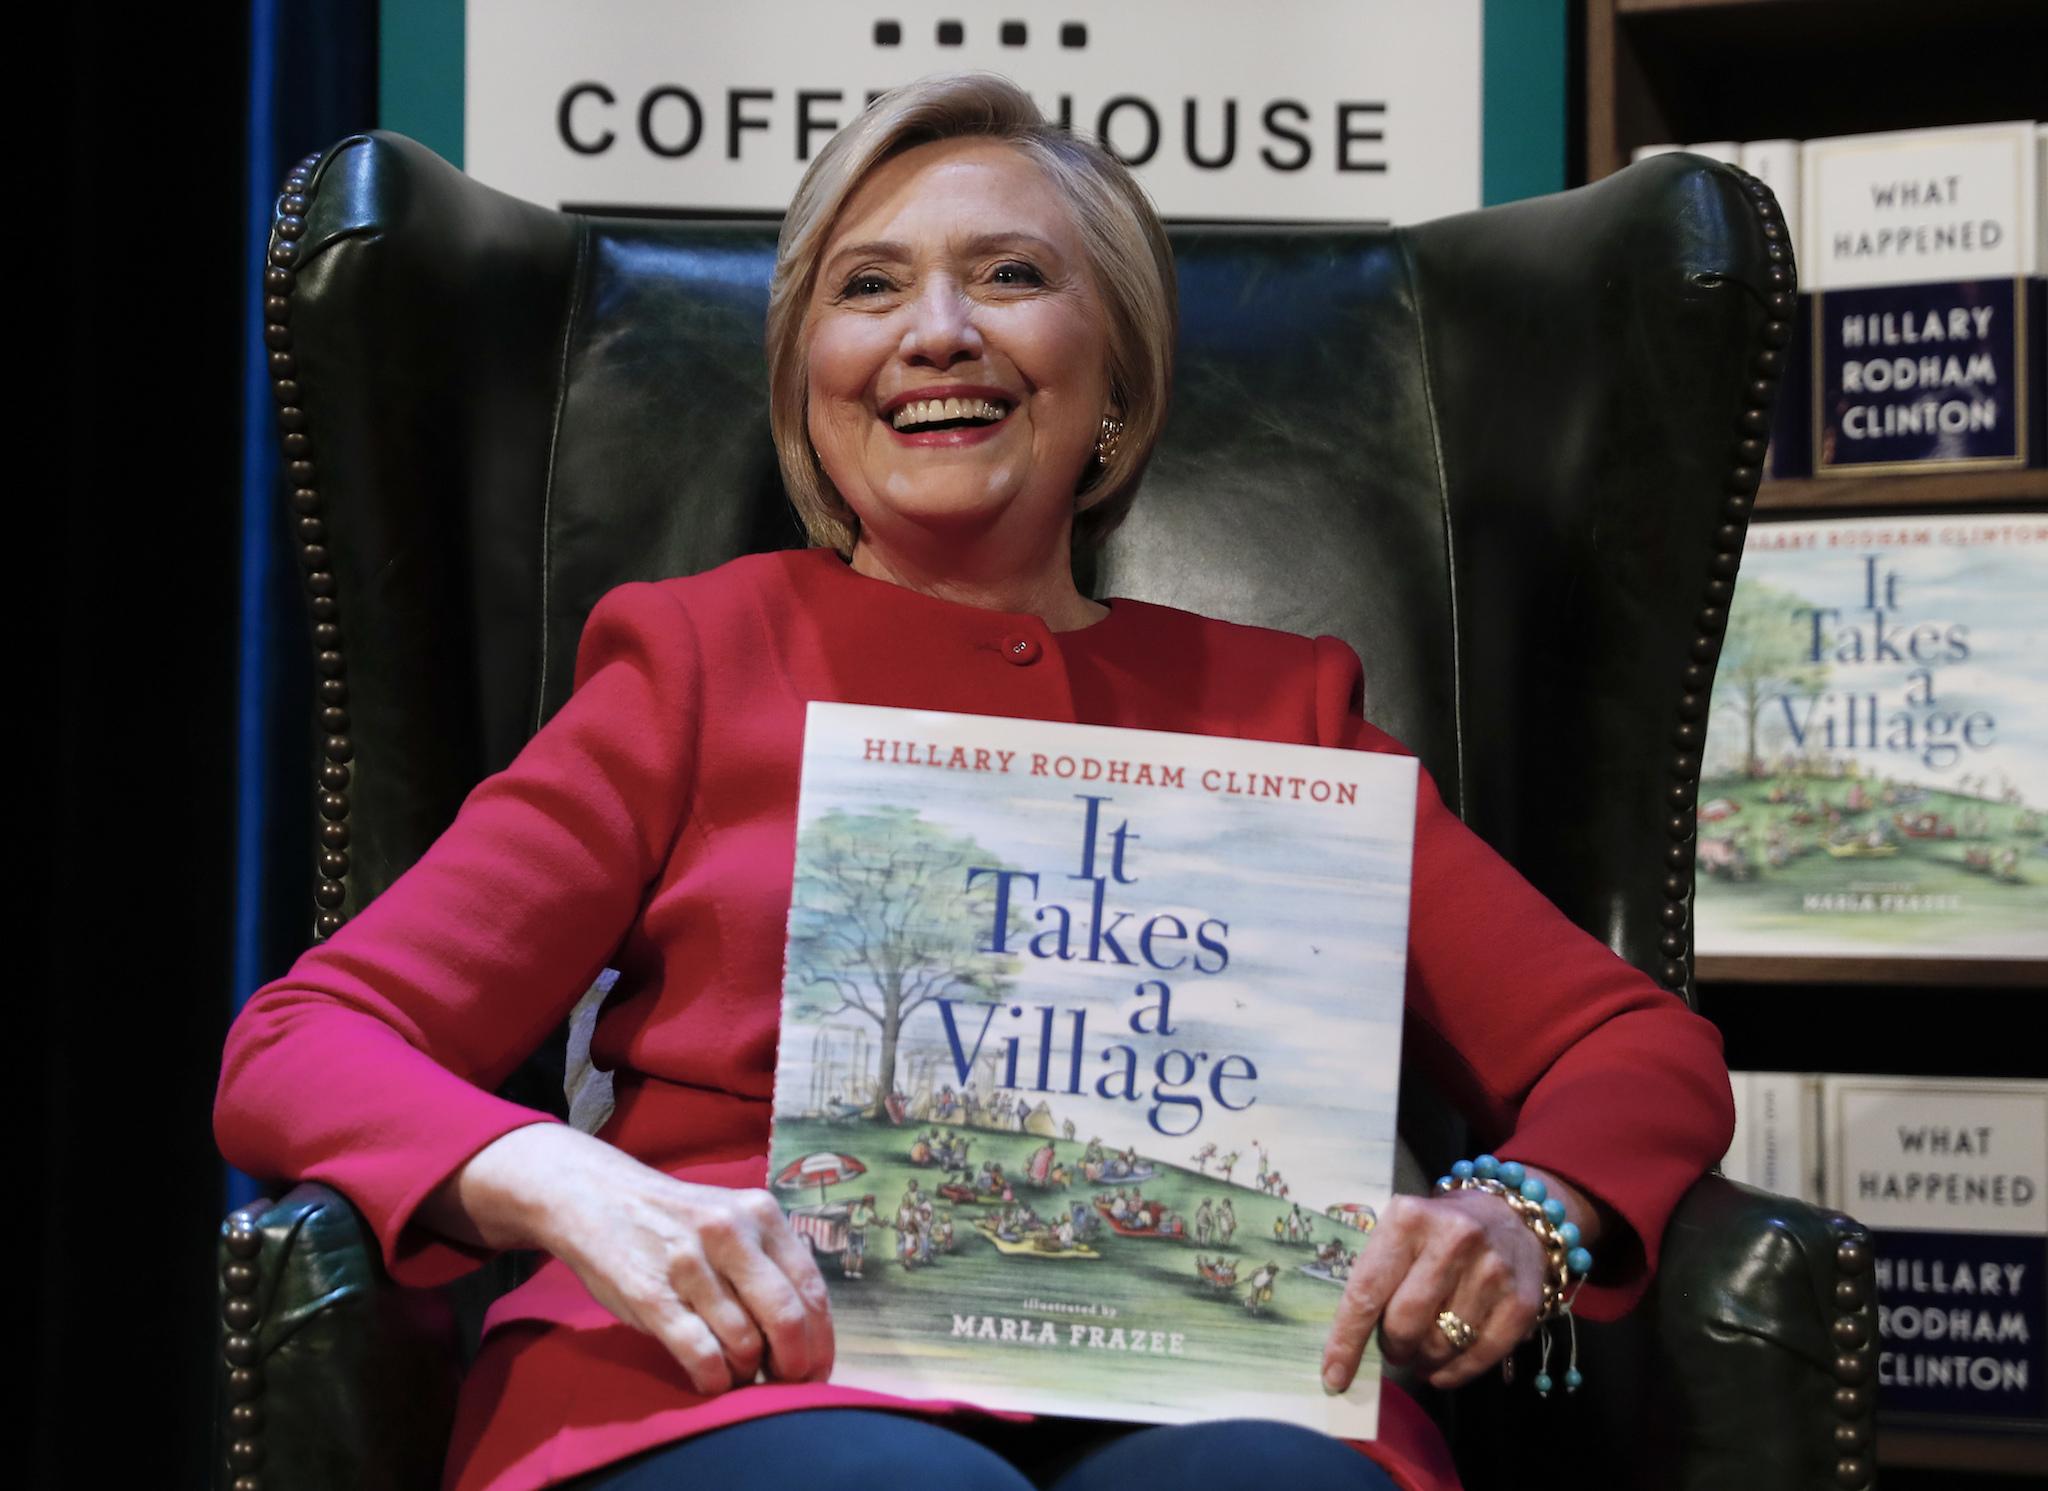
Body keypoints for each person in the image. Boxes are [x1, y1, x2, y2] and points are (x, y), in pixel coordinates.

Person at [215, 72, 1732, 1491]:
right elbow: (302, 1041)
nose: (935, 331)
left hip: (1219, 1376)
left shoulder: (1285, 713)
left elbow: (1633, 1050)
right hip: (749, 1385)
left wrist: (1525, 1211)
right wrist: (555, 1180)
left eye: (1011, 275)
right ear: (811, 379)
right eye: (868, 287)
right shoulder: (695, 662)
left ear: (1119, 376)